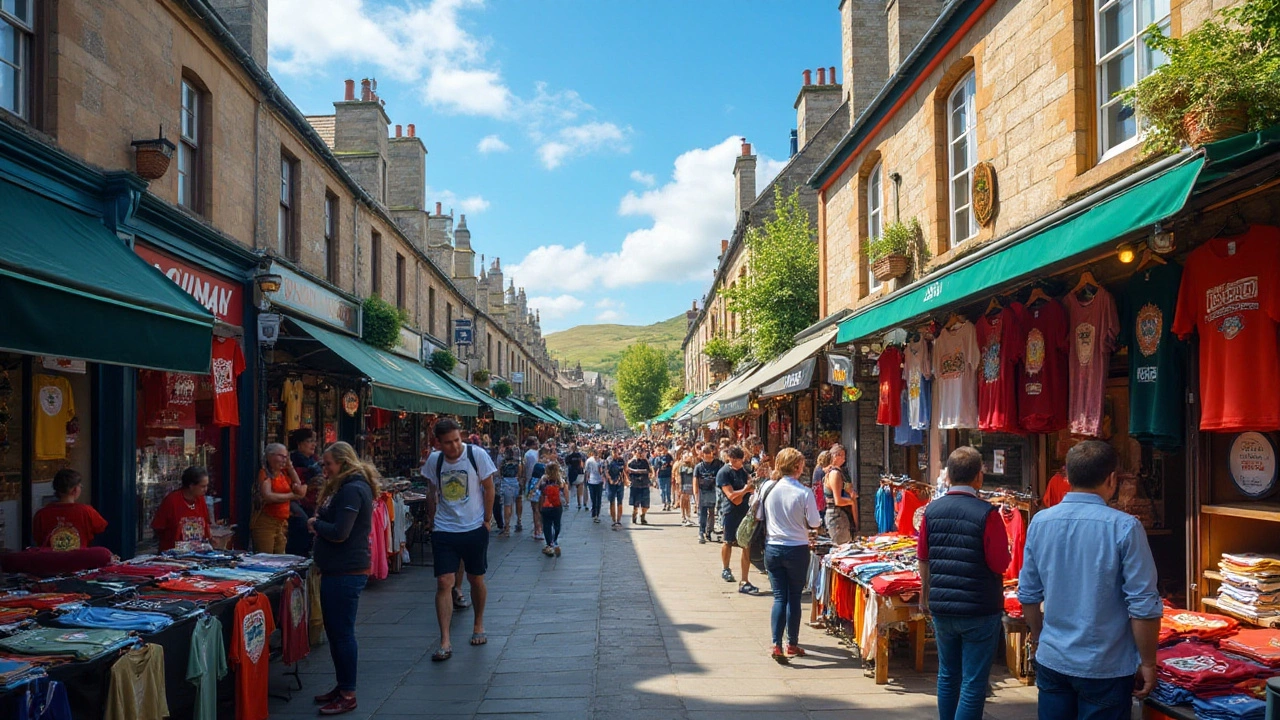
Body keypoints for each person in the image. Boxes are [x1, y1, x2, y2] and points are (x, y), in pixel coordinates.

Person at [1018, 440, 1162, 719]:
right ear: (1111, 479)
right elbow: (1143, 605)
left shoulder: (1040, 522)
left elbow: (1029, 594)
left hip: (1053, 659)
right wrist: (1148, 662)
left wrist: (1038, 638)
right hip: (1105, 667)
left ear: (1067, 478)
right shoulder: (1125, 527)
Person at [918, 447, 1011, 720]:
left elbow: (923, 557)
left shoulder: (931, 510)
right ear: (978, 478)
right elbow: (999, 563)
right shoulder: (987, 513)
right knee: (973, 682)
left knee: (947, 674)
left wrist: (925, 594)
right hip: (979, 608)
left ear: (948, 477)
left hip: (943, 607)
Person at [308, 442, 377, 716]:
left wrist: (315, 525)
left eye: (328, 464)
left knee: (342, 633)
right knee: (336, 633)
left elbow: (340, 532)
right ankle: (342, 685)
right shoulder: (346, 487)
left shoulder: (351, 489)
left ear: (343, 463)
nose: (324, 469)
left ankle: (348, 693)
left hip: (345, 572)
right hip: (337, 569)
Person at [420, 418, 497, 661]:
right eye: (448, 443)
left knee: (476, 578)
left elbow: (489, 487)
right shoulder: (435, 460)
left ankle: (478, 624)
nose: (454, 446)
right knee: (444, 582)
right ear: (438, 443)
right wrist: (432, 520)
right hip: (445, 528)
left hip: (474, 527)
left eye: (456, 440)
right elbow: (432, 490)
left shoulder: (477, 455)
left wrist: (486, 520)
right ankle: (444, 639)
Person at [755, 448, 821, 662]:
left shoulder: (767, 488)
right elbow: (815, 522)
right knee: (793, 597)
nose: (803, 468)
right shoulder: (804, 492)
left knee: (779, 597)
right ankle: (791, 643)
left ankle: (776, 643)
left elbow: (758, 515)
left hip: (773, 548)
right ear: (796, 467)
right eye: (801, 464)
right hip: (797, 548)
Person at [32, 469, 108, 551]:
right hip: (79, 561)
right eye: (80, 486)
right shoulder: (87, 512)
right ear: (75, 490)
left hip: (50, 562)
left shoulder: (41, 515)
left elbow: (37, 538)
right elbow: (101, 528)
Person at [252, 443, 306, 553]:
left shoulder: (283, 474)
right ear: (270, 456)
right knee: (266, 559)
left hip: (281, 523)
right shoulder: (265, 473)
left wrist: (290, 467)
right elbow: (268, 496)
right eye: (281, 456)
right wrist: (292, 496)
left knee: (280, 557)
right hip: (266, 523)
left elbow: (298, 485)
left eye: (286, 457)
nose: (284, 460)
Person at [718, 446, 758, 593]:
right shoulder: (724, 473)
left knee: (746, 544)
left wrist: (748, 489)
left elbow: (751, 489)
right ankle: (726, 568)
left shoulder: (744, 471)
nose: (735, 462)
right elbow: (732, 497)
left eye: (738, 460)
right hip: (730, 512)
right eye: (734, 460)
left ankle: (745, 579)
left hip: (745, 513)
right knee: (727, 541)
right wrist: (746, 490)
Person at [151, 466, 212, 551]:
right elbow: (158, 527)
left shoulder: (200, 500)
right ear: (191, 486)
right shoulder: (171, 500)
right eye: (202, 486)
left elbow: (206, 524)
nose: (206, 489)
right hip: (173, 556)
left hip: (197, 555)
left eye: (206, 486)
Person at [823, 445, 856, 545]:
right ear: (835, 456)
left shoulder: (833, 472)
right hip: (837, 515)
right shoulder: (835, 473)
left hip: (838, 514)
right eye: (841, 455)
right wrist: (851, 501)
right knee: (842, 547)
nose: (844, 459)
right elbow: (838, 500)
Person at [693, 444, 723, 544]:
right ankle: (701, 531)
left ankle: (709, 531)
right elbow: (695, 482)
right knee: (703, 512)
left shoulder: (718, 464)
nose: (707, 456)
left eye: (708, 453)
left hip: (714, 491)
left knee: (712, 512)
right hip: (703, 491)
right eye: (704, 453)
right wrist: (696, 497)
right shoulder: (698, 467)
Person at [537, 463, 568, 556]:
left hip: (546, 505)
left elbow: (539, 490)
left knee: (547, 525)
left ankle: (549, 544)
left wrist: (540, 506)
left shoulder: (543, 479)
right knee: (557, 524)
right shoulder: (560, 480)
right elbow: (565, 490)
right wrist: (567, 501)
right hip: (557, 506)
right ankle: (554, 541)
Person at [496, 438, 523, 538]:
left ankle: (507, 528)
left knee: (507, 505)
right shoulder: (517, 455)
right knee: (518, 500)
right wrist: (519, 478)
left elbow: (499, 471)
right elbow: (520, 468)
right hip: (516, 481)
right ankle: (519, 521)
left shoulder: (502, 457)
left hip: (506, 481)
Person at [626, 446, 653, 525]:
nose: (639, 454)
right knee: (635, 504)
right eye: (638, 452)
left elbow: (649, 470)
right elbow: (626, 471)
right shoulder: (631, 462)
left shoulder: (645, 461)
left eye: (641, 452)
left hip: (644, 484)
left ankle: (643, 516)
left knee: (645, 505)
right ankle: (634, 514)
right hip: (635, 484)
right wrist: (628, 480)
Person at [605, 450, 627, 530]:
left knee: (620, 502)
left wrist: (624, 479)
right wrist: (610, 479)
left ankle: (619, 520)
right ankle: (614, 520)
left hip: (620, 483)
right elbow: (606, 471)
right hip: (611, 484)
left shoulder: (621, 460)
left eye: (617, 453)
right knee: (612, 502)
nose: (616, 455)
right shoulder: (608, 460)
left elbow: (624, 470)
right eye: (614, 453)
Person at [563, 442, 586, 511]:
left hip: (572, 473)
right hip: (580, 472)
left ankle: (568, 502)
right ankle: (580, 503)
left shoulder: (569, 456)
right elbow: (582, 464)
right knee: (580, 487)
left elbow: (567, 464)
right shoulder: (580, 455)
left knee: (570, 487)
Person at [585, 446, 605, 523]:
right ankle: (594, 514)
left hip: (598, 481)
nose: (597, 455)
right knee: (594, 499)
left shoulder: (601, 461)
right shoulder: (589, 461)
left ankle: (597, 514)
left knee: (598, 499)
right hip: (592, 481)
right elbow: (587, 472)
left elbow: (602, 472)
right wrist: (587, 480)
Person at [651, 445, 674, 512]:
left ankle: (668, 503)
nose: (663, 451)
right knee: (662, 491)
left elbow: (672, 464)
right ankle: (664, 503)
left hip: (668, 475)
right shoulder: (657, 458)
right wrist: (654, 476)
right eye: (662, 450)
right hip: (660, 476)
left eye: (665, 450)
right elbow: (655, 466)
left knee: (667, 490)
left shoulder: (669, 457)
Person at [676, 451, 696, 527]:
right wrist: (680, 486)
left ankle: (688, 515)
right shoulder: (680, 466)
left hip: (690, 484)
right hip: (683, 484)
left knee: (688, 500)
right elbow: (679, 476)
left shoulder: (692, 466)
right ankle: (683, 515)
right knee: (683, 499)